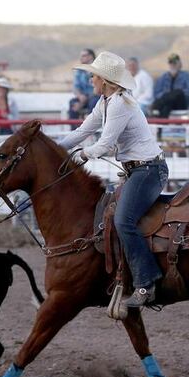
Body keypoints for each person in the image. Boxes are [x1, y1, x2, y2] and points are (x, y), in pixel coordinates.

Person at [58, 51, 167, 308]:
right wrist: (55, 149)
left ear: (105, 80)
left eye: (93, 76)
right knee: (112, 217)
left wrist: (81, 155)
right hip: (138, 170)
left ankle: (146, 282)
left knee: (123, 220)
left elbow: (105, 144)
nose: (91, 80)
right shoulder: (106, 102)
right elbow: (84, 130)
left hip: (148, 170)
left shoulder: (119, 103)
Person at [152, 53, 189, 117]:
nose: (172, 65)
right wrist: (169, 96)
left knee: (178, 92)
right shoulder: (163, 78)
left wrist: (174, 95)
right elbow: (156, 93)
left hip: (181, 104)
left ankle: (157, 105)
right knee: (167, 106)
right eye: (171, 63)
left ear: (180, 64)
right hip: (168, 104)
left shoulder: (187, 76)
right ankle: (163, 126)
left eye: (175, 63)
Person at [68, 49, 99, 118]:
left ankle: (92, 126)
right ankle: (74, 127)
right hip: (83, 97)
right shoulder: (79, 70)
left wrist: (82, 102)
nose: (81, 58)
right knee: (72, 102)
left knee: (94, 102)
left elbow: (99, 88)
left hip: (95, 96)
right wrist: (80, 96)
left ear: (90, 57)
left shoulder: (97, 70)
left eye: (83, 56)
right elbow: (76, 87)